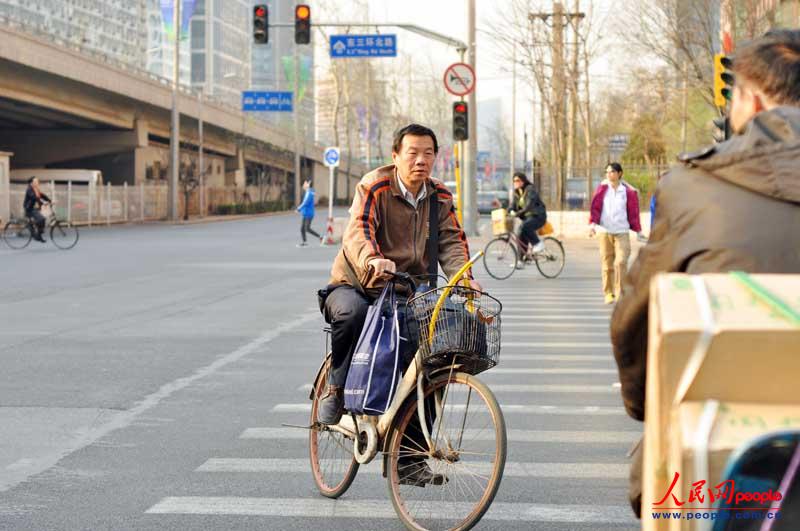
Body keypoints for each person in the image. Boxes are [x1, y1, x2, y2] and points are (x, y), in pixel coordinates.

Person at [610, 29, 800, 517]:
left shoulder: (693, 188)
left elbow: (635, 319)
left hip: (728, 465)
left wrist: (645, 407)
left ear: (750, 101)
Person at [318, 123, 481, 484]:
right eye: (413, 153)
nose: (421, 160)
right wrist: (373, 258)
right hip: (360, 283)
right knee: (352, 314)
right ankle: (337, 385)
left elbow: (452, 242)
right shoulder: (374, 185)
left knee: (437, 360)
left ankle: (409, 457)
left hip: (410, 291)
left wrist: (464, 280)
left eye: (428, 153)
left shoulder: (439, 196)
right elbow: (358, 231)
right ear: (395, 157)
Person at [588, 163, 643, 304]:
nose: (609, 174)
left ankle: (620, 293)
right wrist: (592, 225)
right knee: (607, 264)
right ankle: (608, 293)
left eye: (612, 171)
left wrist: (638, 231)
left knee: (621, 262)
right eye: (607, 172)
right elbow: (595, 208)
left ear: (619, 173)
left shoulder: (627, 192)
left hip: (621, 232)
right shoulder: (602, 190)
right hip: (604, 232)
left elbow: (633, 212)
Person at [508, 172, 547, 260]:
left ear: (523, 181)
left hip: (538, 216)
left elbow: (529, 205)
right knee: (520, 234)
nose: (516, 182)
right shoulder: (517, 192)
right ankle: (522, 259)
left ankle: (538, 244)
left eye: (518, 180)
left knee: (525, 226)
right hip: (528, 218)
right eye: (514, 181)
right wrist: (508, 211)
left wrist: (519, 213)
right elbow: (512, 205)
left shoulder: (530, 189)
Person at [23, 177, 51, 243]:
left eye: (38, 181)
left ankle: (38, 234)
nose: (38, 182)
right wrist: (43, 202)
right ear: (32, 183)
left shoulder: (36, 189)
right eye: (36, 181)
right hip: (29, 208)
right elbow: (34, 198)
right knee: (41, 219)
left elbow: (42, 195)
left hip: (34, 208)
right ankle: (31, 227)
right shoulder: (29, 189)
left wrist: (50, 200)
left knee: (42, 219)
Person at [296, 180, 321, 247]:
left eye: (305, 183)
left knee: (307, 228)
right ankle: (305, 242)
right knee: (302, 229)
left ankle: (320, 237)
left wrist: (299, 208)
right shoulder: (308, 192)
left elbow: (306, 202)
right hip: (306, 213)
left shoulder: (309, 193)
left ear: (308, 184)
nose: (303, 185)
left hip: (309, 214)